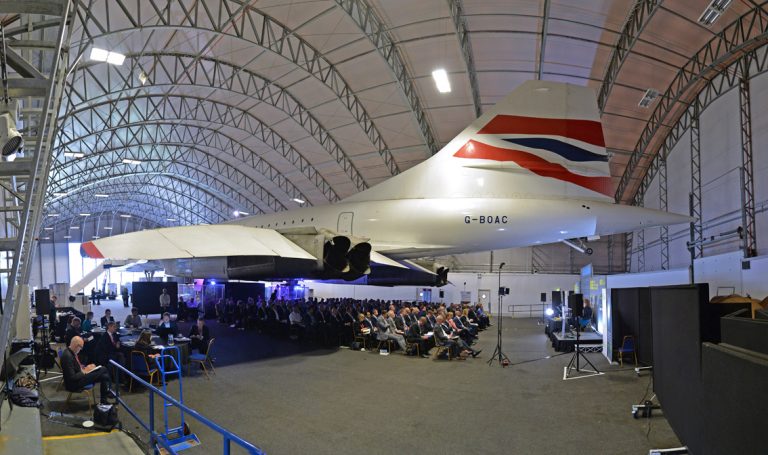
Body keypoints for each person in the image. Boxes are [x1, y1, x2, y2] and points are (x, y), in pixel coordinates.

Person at [60, 336, 112, 404]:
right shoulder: (67, 356)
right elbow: (72, 377)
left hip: (79, 377)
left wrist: (85, 368)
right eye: (81, 347)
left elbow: (75, 367)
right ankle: (108, 391)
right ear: (76, 346)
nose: (81, 349)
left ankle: (104, 400)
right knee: (103, 369)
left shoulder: (71, 352)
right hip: (74, 384)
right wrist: (85, 371)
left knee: (104, 377)